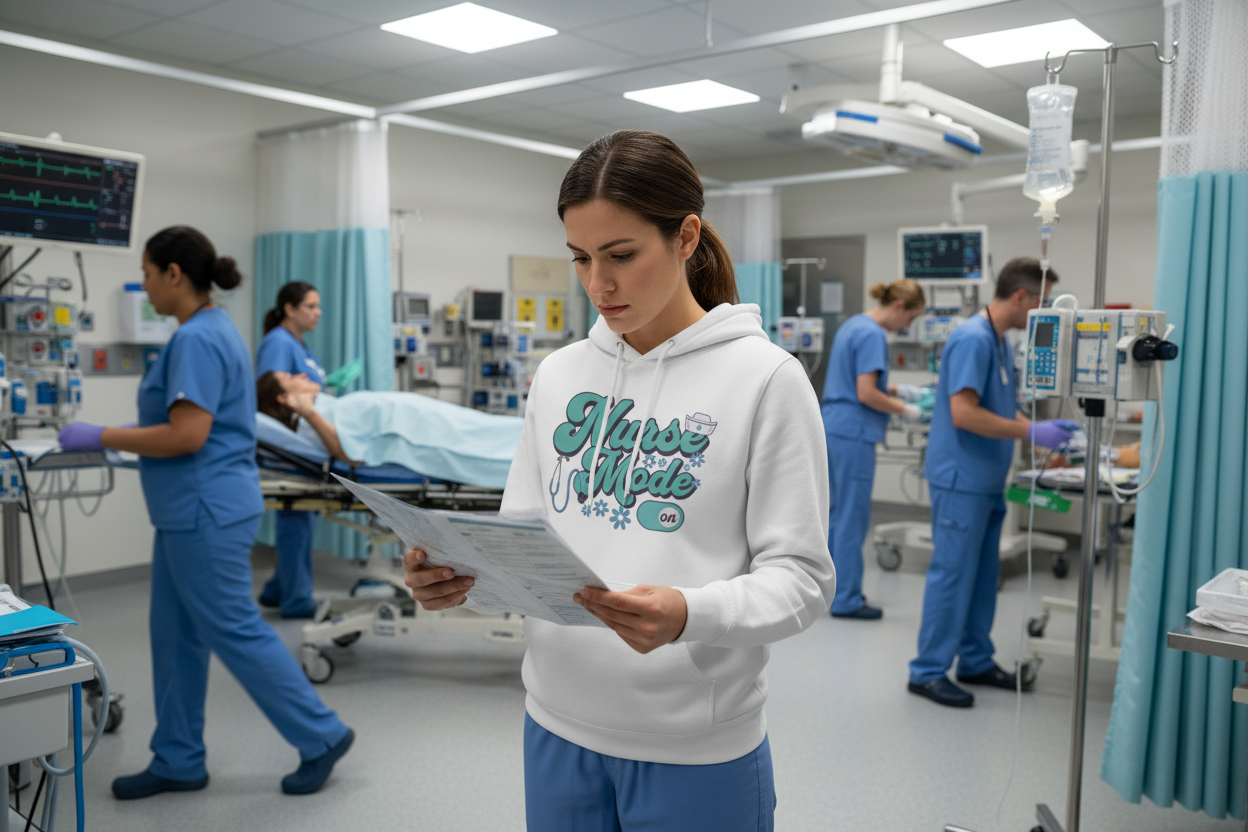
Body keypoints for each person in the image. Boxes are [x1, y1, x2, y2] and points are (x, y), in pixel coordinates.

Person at [403, 130, 835, 832]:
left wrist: (691, 613)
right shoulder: (561, 375)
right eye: (579, 258)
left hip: (696, 747)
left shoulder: (766, 381)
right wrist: (460, 580)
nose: (598, 284)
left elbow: (804, 580)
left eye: (621, 255)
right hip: (555, 725)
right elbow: (518, 540)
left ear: (686, 236)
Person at [57, 226, 353, 797]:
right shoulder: (210, 329)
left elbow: (189, 434)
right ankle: (178, 757)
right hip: (188, 510)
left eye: (146, 273)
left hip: (204, 509)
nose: (144, 287)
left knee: (233, 629)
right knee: (173, 635)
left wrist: (103, 435)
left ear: (174, 274)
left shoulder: (196, 338)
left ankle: (321, 734)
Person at [908, 257, 1078, 708]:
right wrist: (1029, 432)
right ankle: (926, 672)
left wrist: (1041, 438)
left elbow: (1001, 411)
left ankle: (976, 660)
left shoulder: (1001, 341)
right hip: (961, 478)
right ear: (1020, 297)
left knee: (983, 577)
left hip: (986, 478)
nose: (1041, 313)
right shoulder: (972, 339)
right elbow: (964, 413)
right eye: (1039, 303)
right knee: (952, 575)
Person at [822, 279, 926, 620]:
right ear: (898, 307)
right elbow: (866, 393)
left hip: (834, 427)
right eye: (910, 319)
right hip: (854, 432)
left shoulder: (853, 325)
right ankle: (848, 600)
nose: (907, 327)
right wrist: (906, 410)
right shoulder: (873, 335)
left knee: (837, 517)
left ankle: (830, 593)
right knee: (851, 519)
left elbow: (858, 381)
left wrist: (898, 389)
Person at [255, 282, 325, 618]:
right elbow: (272, 398)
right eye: (310, 306)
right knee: (296, 518)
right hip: (293, 451)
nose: (317, 313)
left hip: (307, 439)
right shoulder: (277, 344)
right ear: (290, 309)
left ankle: (278, 589)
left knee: (299, 520)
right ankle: (296, 599)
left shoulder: (298, 344)